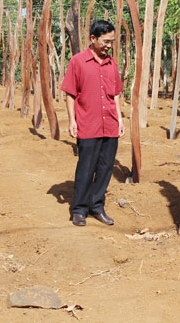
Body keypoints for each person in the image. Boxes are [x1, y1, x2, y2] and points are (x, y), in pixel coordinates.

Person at [61, 19, 125, 226]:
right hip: (88, 124)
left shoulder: (111, 63)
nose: (108, 45)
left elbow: (115, 94)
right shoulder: (78, 62)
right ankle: (79, 209)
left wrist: (120, 119)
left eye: (112, 41)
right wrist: (72, 120)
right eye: (105, 41)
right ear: (93, 38)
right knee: (86, 168)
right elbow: (70, 93)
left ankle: (97, 206)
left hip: (110, 124)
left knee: (106, 168)